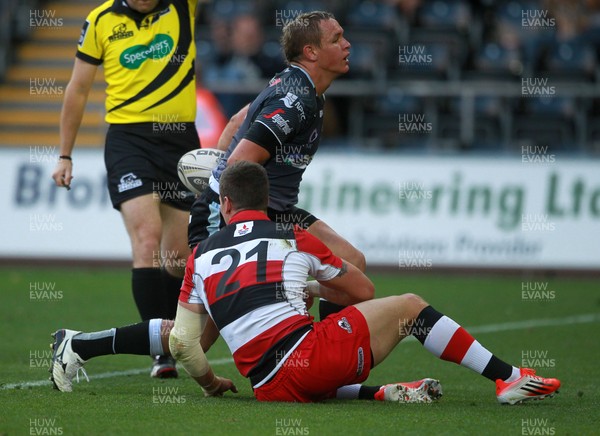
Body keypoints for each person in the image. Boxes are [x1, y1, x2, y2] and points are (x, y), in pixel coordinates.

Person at [50, 161, 561, 405]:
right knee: (409, 306)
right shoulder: (293, 233)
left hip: (265, 385)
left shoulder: (201, 253)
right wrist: (307, 288)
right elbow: (362, 291)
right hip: (305, 360)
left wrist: (211, 384)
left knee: (198, 334)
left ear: (223, 206)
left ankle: (80, 342)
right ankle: (505, 377)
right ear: (269, 199)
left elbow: (184, 343)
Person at [51, 0, 201, 377]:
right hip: (128, 140)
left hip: (180, 142)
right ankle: (161, 352)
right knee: (147, 239)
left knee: (176, 257)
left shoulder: (183, 5)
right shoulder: (100, 20)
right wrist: (65, 155)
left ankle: (171, 337)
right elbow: (79, 87)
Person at [189, 11, 365, 322]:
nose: (347, 44)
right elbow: (239, 163)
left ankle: (324, 348)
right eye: (337, 39)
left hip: (275, 210)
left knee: (351, 261)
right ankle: (85, 344)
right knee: (192, 337)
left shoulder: (301, 88)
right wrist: (224, 206)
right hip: (233, 214)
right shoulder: (295, 100)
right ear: (311, 52)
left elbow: (233, 124)